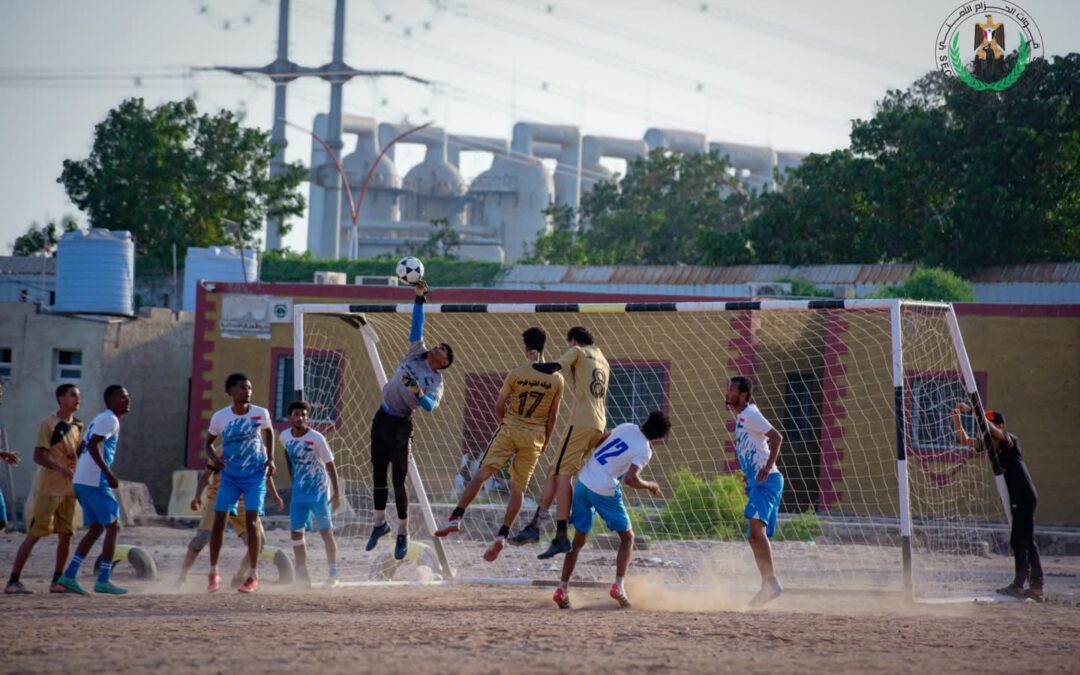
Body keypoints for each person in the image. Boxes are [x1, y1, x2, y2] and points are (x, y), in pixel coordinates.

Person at [435, 327, 564, 562]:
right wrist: (545, 441)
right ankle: (502, 535)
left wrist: (505, 423)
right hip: (535, 436)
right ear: (544, 346)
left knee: (482, 473)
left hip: (510, 429)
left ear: (525, 347)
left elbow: (499, 404)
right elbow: (553, 416)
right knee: (518, 488)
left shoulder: (517, 373)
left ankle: (456, 517)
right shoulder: (556, 378)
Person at [366, 280, 453, 561]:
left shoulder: (436, 381)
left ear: (443, 362)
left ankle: (403, 532)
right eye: (436, 344)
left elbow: (429, 407)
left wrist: (417, 390)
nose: (435, 347)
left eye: (441, 349)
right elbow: (417, 326)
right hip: (382, 417)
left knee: (398, 480)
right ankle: (380, 523)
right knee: (378, 473)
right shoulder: (415, 352)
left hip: (402, 425)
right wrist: (419, 299)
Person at [553, 411, 670, 610]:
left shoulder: (626, 426)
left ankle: (562, 589)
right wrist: (649, 485)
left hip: (584, 481)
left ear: (646, 420)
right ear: (658, 437)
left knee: (578, 541)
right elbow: (630, 480)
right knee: (628, 538)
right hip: (604, 489)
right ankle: (618, 586)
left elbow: (599, 442)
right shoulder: (645, 450)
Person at [511, 325, 610, 560]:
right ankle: (535, 526)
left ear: (573, 341)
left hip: (581, 422)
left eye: (568, 344)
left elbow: (554, 367)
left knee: (563, 474)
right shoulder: (603, 359)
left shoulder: (576, 351)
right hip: (598, 423)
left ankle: (561, 535)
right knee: (554, 471)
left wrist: (534, 365)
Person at [952, 404, 1042, 601]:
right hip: (1018, 498)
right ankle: (1036, 588)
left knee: (1020, 540)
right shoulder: (990, 445)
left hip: (1024, 495)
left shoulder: (1009, 440)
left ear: (1000, 426)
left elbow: (994, 431)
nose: (985, 429)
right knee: (1026, 540)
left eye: (990, 425)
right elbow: (965, 440)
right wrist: (957, 419)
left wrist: (975, 411)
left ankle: (1019, 585)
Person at [6, 384, 83, 594]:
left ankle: (57, 581)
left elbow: (76, 456)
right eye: (73, 395)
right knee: (36, 533)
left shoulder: (77, 426)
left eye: (79, 396)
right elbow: (38, 456)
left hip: (69, 490)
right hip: (49, 488)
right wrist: (61, 469)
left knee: (67, 535)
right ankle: (13, 580)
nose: (78, 399)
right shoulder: (48, 424)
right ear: (60, 398)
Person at [57, 385, 132, 596]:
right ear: (110, 401)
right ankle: (103, 579)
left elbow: (84, 445)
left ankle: (69, 576)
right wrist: (107, 473)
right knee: (113, 526)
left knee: (97, 528)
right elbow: (92, 446)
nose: (127, 401)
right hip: (95, 481)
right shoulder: (110, 420)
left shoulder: (101, 418)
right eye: (122, 397)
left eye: (127, 397)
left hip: (83, 480)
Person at [206, 373, 277, 594]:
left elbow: (269, 433)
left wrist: (271, 458)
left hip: (254, 476)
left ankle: (253, 575)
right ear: (231, 392)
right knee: (219, 520)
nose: (248, 391)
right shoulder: (220, 417)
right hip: (230, 476)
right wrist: (216, 460)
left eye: (250, 388)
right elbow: (208, 443)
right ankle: (213, 572)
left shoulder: (260, 413)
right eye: (243, 388)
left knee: (252, 521)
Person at [726, 376, 785, 608]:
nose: (727, 393)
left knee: (755, 530)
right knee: (754, 534)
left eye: (731, 390)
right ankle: (768, 584)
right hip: (759, 482)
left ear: (743, 395)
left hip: (767, 480)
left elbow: (777, 437)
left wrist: (767, 467)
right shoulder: (742, 416)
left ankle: (771, 583)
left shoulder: (750, 413)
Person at [176, 454, 266, 589]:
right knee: (201, 538)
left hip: (243, 501)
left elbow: (264, 476)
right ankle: (182, 577)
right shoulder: (222, 450)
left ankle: (239, 576)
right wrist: (197, 497)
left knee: (259, 542)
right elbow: (206, 475)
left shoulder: (257, 449)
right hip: (217, 498)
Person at [282, 400, 341, 588]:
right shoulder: (284, 436)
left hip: (319, 492)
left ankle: (333, 575)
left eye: (304, 415)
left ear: (307, 418)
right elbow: (288, 457)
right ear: (290, 417)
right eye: (296, 414)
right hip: (299, 493)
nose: (300, 417)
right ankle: (302, 576)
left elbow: (330, 464)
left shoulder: (317, 438)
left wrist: (337, 493)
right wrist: (293, 482)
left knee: (326, 532)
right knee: (296, 533)